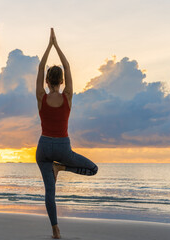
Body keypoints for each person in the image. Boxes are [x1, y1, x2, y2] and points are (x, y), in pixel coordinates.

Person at [36, 28, 98, 239]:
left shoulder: (40, 98)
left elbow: (40, 66)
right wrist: (56, 45)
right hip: (62, 147)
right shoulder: (68, 97)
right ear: (61, 81)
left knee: (49, 193)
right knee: (93, 169)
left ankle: (55, 230)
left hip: (43, 147)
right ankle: (61, 167)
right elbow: (68, 66)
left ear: (47, 82)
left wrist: (49, 45)